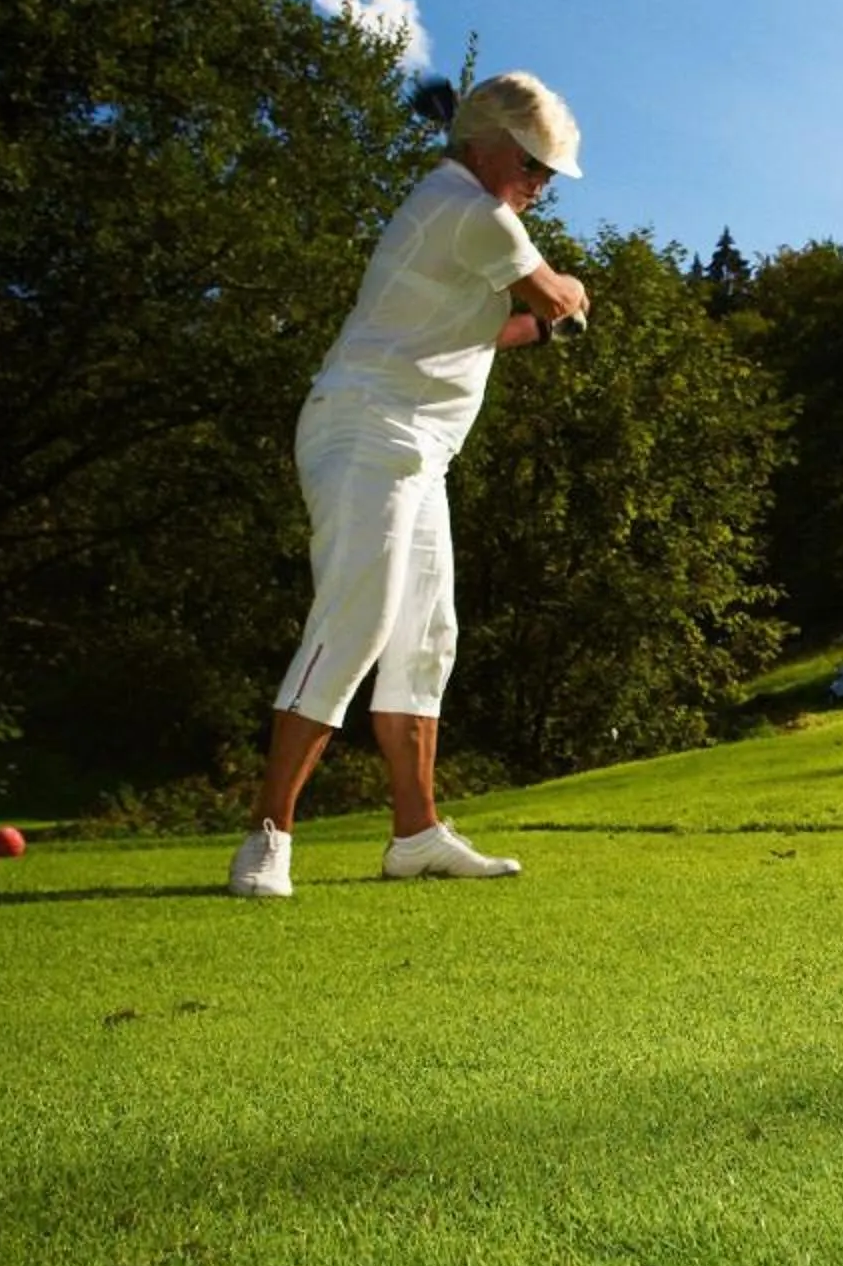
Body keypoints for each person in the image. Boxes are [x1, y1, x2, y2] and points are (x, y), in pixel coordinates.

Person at [226, 72, 592, 898]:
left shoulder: (465, 214)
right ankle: (267, 833)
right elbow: (555, 294)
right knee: (356, 622)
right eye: (532, 166)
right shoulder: (468, 208)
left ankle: (416, 833)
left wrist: (537, 325)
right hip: (365, 429)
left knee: (427, 636)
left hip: (420, 450)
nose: (538, 187)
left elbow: (477, 331)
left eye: (545, 174)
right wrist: (568, 303)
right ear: (486, 145)